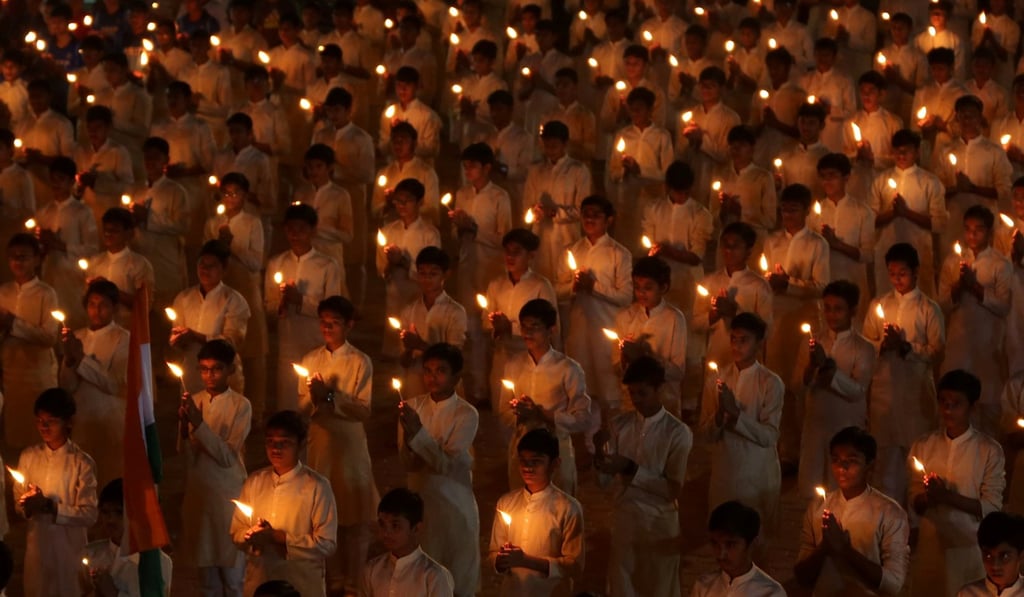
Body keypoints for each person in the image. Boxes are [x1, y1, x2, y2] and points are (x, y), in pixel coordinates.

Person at [296, 296, 378, 595]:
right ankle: (331, 581)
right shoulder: (310, 360)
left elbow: (364, 409)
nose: (327, 328)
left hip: (350, 443)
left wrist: (332, 397)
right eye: (324, 322)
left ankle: (355, 583)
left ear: (349, 325)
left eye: (335, 323)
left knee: (355, 519)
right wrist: (315, 397)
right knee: (325, 516)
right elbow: (302, 407)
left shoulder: (359, 361)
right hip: (321, 441)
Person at [596, 356, 692, 597]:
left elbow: (672, 489)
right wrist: (599, 452)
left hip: (658, 523)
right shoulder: (619, 425)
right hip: (625, 520)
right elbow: (604, 482)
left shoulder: (677, 432)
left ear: (659, 389)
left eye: (643, 393)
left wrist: (630, 468)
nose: (636, 400)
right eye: (632, 393)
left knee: (658, 588)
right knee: (623, 586)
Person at [909, 369, 1006, 596]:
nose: (948, 409)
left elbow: (991, 507)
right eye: (943, 402)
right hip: (930, 548)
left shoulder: (988, 450)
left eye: (956, 403)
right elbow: (914, 503)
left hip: (969, 548)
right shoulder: (923, 446)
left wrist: (947, 497)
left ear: (972, 407)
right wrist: (926, 497)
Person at [863, 242, 945, 504]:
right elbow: (866, 344)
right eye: (892, 273)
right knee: (885, 457)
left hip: (915, 391)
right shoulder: (879, 304)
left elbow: (936, 351)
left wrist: (907, 347)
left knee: (915, 453)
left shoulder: (928, 308)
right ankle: (886, 512)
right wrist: (883, 345)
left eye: (903, 273)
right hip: (884, 391)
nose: (897, 279)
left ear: (916, 272)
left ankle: (915, 515)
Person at [397, 343, 479, 596]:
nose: (433, 377)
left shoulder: (466, 414)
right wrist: (416, 445)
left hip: (455, 505)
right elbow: (407, 462)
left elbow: (446, 463)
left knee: (458, 577)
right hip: (421, 504)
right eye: (428, 370)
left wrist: (418, 435)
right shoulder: (411, 407)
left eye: (441, 371)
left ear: (456, 377)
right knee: (424, 578)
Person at [231, 410, 338, 597]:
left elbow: (327, 544)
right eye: (270, 442)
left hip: (300, 584)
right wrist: (250, 537)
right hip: (261, 580)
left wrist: (280, 538)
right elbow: (236, 532)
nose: (276, 449)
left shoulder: (317, 486)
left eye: (284, 443)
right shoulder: (255, 481)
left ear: (301, 445)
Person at [794, 426, 911, 596]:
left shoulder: (889, 513)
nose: (842, 467)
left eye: (852, 460)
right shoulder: (818, 508)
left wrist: (844, 549)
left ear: (870, 465)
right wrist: (825, 548)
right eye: (836, 460)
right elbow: (801, 576)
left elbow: (893, 583)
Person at [178, 339, 251, 597]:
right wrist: (185, 430)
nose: (210, 375)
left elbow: (227, 456)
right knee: (206, 577)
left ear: (230, 370)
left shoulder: (241, 406)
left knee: (232, 576)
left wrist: (199, 426)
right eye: (204, 369)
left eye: (217, 369)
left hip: (226, 495)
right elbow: (186, 453)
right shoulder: (194, 400)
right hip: (199, 493)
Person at [699, 312, 783, 532]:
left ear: (759, 343)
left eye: (743, 340)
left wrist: (736, 414)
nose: (736, 346)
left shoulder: (770, 383)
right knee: (723, 535)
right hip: (724, 472)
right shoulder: (717, 381)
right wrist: (719, 417)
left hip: (757, 475)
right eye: (733, 339)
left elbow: (769, 436)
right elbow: (705, 433)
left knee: (756, 540)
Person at [500, 298, 591, 495]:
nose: (528, 332)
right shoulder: (513, 365)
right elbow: (503, 411)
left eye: (535, 326)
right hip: (521, 447)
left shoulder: (568, 368)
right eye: (524, 327)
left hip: (556, 449)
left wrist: (542, 414)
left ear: (551, 330)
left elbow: (582, 418)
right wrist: (518, 414)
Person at [794, 280, 876, 496]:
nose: (831, 315)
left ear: (853, 311)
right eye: (827, 308)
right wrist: (812, 366)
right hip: (815, 427)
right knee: (812, 494)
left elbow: (857, 391)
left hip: (845, 428)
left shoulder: (864, 348)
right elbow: (797, 385)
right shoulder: (811, 342)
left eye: (838, 309)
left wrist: (829, 370)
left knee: (841, 492)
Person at [558, 195, 633, 428]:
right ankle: (588, 448)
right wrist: (573, 287)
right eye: (586, 213)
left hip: (607, 329)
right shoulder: (571, 250)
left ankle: (613, 444)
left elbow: (625, 296)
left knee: (609, 390)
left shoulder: (619, 254)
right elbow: (558, 291)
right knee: (584, 390)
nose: (589, 219)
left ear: (608, 220)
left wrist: (595, 287)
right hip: (579, 328)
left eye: (596, 214)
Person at [16, 388, 98, 597]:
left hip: (69, 552)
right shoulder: (28, 457)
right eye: (39, 420)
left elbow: (89, 514)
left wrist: (50, 506)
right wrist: (27, 505)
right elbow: (18, 503)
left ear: (68, 422)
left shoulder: (82, 462)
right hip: (38, 549)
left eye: (50, 421)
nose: (43, 427)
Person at [938, 205, 1012, 435]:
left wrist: (976, 287)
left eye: (978, 230)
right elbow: (941, 304)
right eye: (968, 230)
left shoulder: (1000, 264)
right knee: (956, 404)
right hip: (959, 342)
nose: (972, 235)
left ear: (989, 232)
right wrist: (959, 286)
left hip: (987, 344)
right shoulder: (953, 262)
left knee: (987, 408)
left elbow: (1003, 305)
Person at [488, 428, 585, 596]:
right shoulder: (506, 503)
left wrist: (526, 561)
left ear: (555, 464)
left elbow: (574, 566)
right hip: (513, 591)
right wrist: (500, 561)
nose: (528, 467)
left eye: (536, 461)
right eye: (523, 461)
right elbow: (493, 552)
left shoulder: (568, 508)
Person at [265, 204, 343, 412]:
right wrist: (281, 305)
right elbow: (269, 307)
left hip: (316, 341)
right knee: (289, 403)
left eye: (301, 229)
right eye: (290, 229)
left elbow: (334, 309)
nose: (295, 234)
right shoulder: (276, 263)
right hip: (288, 344)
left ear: (313, 230)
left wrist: (301, 300)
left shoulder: (327, 265)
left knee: (314, 404)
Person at [58, 279, 128, 488]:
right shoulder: (78, 336)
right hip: (81, 419)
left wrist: (82, 360)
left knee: (109, 478)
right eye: (91, 304)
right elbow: (67, 386)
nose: (96, 310)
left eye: (103, 305)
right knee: (83, 480)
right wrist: (70, 360)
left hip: (110, 420)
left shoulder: (123, 338)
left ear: (114, 308)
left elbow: (114, 384)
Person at [481, 229, 558, 409]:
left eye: (517, 252)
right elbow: (485, 321)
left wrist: (512, 328)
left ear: (530, 255)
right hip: (502, 358)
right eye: (507, 251)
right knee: (502, 412)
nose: (510, 256)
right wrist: (496, 326)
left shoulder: (540, 285)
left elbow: (551, 328)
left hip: (531, 360)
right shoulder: (496, 285)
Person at [870, 129, 946, 297]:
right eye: (898, 150)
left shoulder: (929, 182)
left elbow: (939, 223)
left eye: (908, 150)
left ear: (917, 152)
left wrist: (906, 213)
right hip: (887, 248)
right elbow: (871, 220)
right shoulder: (881, 180)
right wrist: (893, 213)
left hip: (919, 249)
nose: (902, 155)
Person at [0, 233, 59, 450]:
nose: (18, 262)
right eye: (13, 257)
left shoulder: (46, 293)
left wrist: (13, 323)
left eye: (24, 257)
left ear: (36, 259)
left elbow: (50, 336)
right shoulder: (3, 292)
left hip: (38, 374)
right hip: (11, 373)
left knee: (40, 435)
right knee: (15, 436)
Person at [170, 240, 250, 395]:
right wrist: (178, 340)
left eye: (211, 265)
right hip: (192, 374)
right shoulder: (183, 298)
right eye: (202, 264)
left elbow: (232, 341)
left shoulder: (234, 300)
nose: (205, 270)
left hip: (223, 377)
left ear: (224, 269)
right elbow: (176, 336)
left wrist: (196, 336)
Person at [611, 257, 688, 418]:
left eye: (648, 287)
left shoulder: (674, 318)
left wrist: (644, 356)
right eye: (637, 287)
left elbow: (678, 371)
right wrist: (625, 358)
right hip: (631, 402)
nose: (641, 293)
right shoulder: (625, 316)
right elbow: (617, 367)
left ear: (663, 287)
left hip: (664, 402)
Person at [691, 222, 773, 371]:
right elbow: (696, 323)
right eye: (725, 245)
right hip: (717, 356)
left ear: (748, 251)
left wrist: (735, 313)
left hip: (747, 361)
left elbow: (766, 330)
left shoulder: (759, 285)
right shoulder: (710, 281)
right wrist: (715, 314)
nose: (729, 250)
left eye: (735, 246)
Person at [377, 178, 443, 357]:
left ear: (420, 202)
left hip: (418, 294)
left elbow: (434, 270)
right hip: (395, 294)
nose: (402, 205)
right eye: (398, 201)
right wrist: (390, 264)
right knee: (394, 343)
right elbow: (380, 268)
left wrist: (405, 263)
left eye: (407, 200)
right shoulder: (389, 230)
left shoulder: (429, 234)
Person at [808, 153, 876, 322]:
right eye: (823, 177)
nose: (827, 182)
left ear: (846, 177)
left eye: (832, 176)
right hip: (824, 284)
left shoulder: (862, 211)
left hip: (852, 282)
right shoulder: (814, 213)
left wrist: (837, 244)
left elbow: (868, 254)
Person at [524, 120, 593, 283]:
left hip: (566, 238)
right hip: (540, 236)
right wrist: (534, 212)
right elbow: (527, 203)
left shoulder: (578, 170)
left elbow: (582, 209)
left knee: (565, 285)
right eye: (547, 146)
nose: (550, 151)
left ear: (565, 144)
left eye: (554, 146)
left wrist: (555, 212)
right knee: (540, 282)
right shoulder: (536, 170)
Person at [36, 157, 99, 332]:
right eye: (53, 179)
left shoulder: (82, 212)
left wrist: (61, 245)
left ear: (71, 181)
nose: (56, 184)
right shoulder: (44, 211)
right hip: (48, 274)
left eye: (61, 179)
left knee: (73, 325)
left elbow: (93, 248)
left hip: (72, 277)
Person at [81, 479, 173, 597]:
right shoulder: (91, 553)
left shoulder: (157, 562)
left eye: (119, 513)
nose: (110, 520)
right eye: (105, 512)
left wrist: (115, 594)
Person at [395, 247, 467, 398]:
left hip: (444, 386)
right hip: (415, 384)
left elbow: (454, 358)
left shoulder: (455, 312)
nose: (427, 279)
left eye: (433, 274)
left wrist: (420, 345)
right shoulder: (409, 311)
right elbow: (404, 361)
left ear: (445, 275)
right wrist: (408, 349)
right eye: (422, 273)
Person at [607, 88, 674, 248]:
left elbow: (668, 173)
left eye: (640, 108)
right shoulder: (623, 134)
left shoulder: (661, 136)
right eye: (632, 109)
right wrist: (624, 170)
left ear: (650, 110)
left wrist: (641, 171)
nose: (635, 112)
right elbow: (613, 172)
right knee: (626, 245)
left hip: (652, 199)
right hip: (627, 199)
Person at [363, 489, 455, 596]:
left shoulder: (434, 576)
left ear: (416, 528)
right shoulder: (372, 570)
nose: (386, 533)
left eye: (395, 526)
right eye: (382, 524)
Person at [293, 143, 353, 298]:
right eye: (310, 167)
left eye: (318, 166)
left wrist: (318, 229)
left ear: (330, 167)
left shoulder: (340, 195)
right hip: (305, 255)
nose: (313, 171)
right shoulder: (301, 193)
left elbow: (347, 235)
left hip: (330, 254)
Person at [690, 501, 786, 596]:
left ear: (752, 544)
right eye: (715, 543)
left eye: (730, 544)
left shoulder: (771, 592)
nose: (721, 554)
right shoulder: (703, 586)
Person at [84, 207, 155, 329]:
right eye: (106, 230)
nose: (108, 234)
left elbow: (144, 306)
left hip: (128, 330)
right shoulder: (95, 262)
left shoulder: (139, 264)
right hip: (100, 330)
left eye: (114, 230)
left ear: (128, 233)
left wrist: (110, 290)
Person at [957, 511, 1024, 596]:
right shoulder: (967, 593)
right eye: (988, 556)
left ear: (1021, 556)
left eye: (1004, 556)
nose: (995, 566)